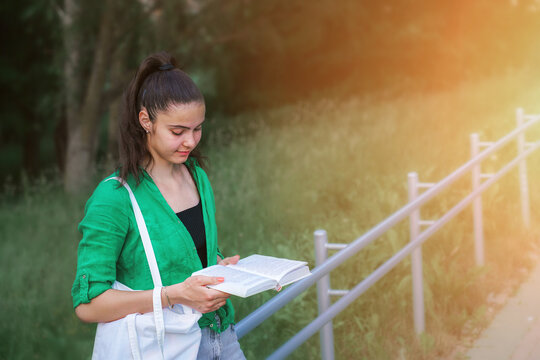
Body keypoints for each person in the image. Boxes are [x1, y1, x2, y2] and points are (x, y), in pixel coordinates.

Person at [71, 51, 246, 359]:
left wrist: (221, 268)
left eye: (197, 128)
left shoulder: (197, 176)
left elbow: (189, 255)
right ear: (145, 121)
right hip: (167, 346)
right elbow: (88, 305)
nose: (190, 142)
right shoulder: (114, 198)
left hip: (223, 335)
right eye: (177, 132)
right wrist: (173, 295)